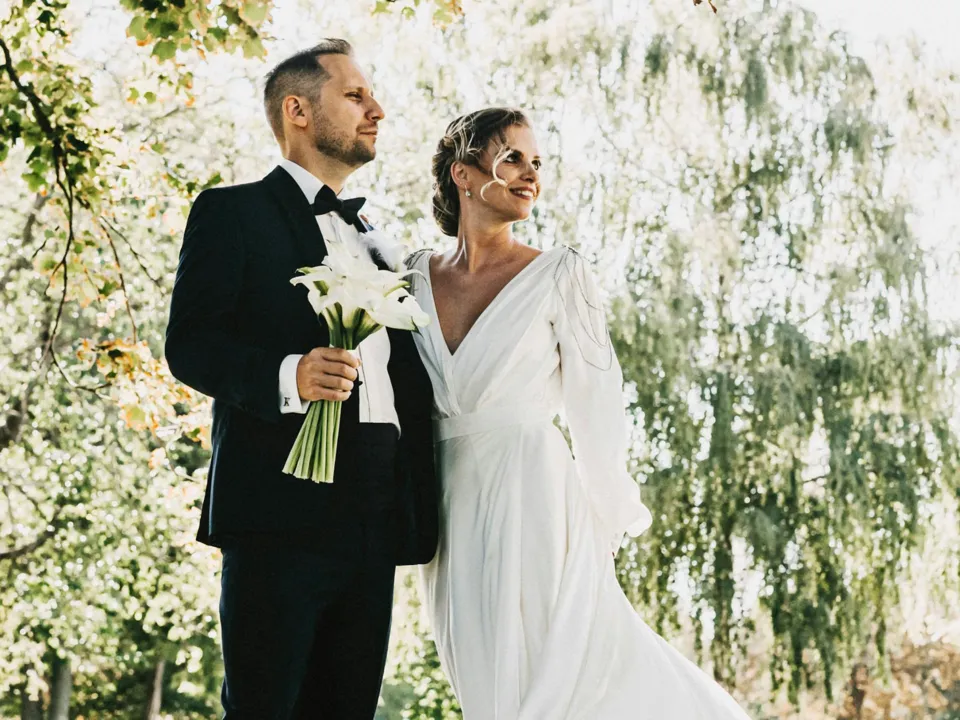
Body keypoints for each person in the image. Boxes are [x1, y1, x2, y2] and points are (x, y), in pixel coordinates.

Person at [404, 107, 752, 719]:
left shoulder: (559, 274)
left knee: (558, 673)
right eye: (512, 158)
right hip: (447, 503)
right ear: (463, 173)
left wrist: (606, 509)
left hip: (536, 495)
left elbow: (598, 402)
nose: (530, 174)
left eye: (537, 163)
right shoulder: (409, 279)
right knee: (481, 678)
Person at [165, 39, 438, 720]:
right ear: (298, 111)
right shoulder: (232, 213)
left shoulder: (375, 236)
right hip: (278, 510)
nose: (377, 109)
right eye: (355, 95)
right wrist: (291, 375)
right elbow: (190, 345)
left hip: (376, 513)